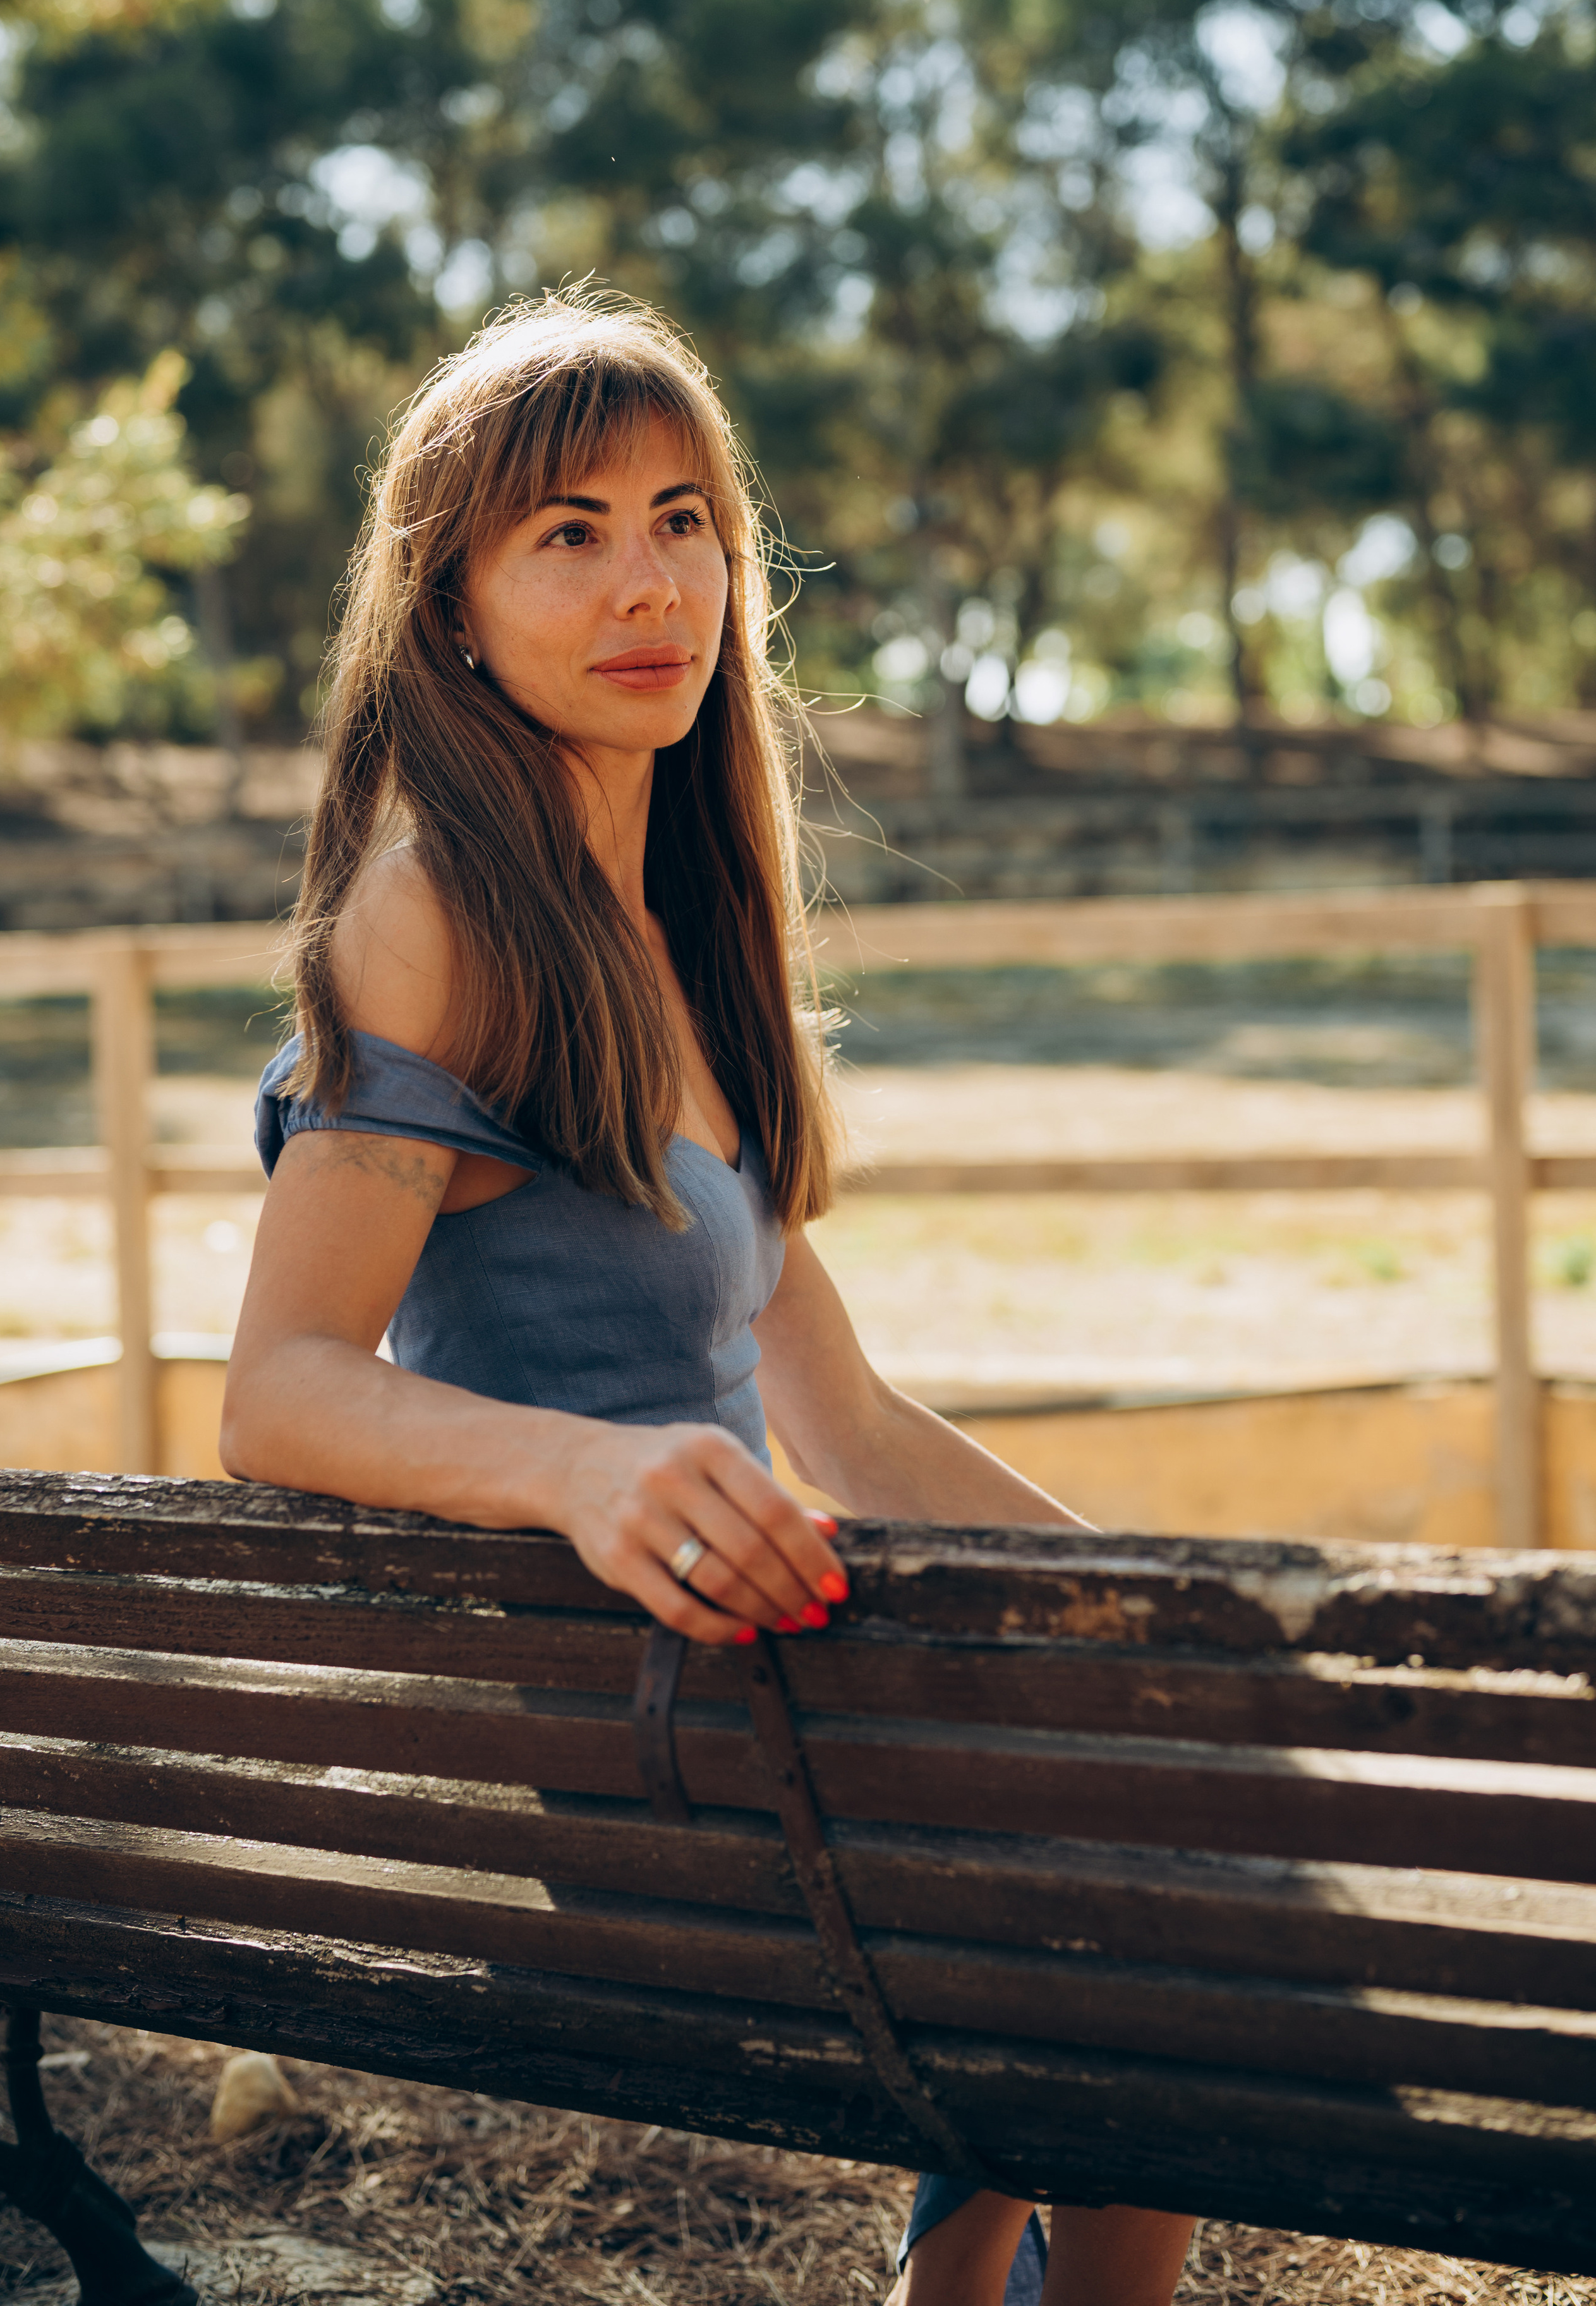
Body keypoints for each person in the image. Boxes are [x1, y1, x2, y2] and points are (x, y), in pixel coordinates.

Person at [221, 289, 1194, 2306]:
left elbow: (848, 1426)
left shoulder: (679, 943)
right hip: (636, 1736)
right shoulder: (442, 916)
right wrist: (591, 1474)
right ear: (453, 603)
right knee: (1148, 1962)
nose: (649, 578)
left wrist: (1176, 1616)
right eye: (565, 531)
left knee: (1157, 1889)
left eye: (683, 517)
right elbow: (282, 1392)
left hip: (772, 1700)